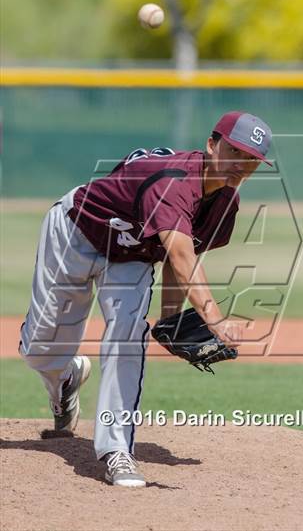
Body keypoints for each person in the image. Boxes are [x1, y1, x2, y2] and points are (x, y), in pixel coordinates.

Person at [19, 110, 273, 487]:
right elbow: (183, 255)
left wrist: (170, 318)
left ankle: (116, 450)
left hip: (133, 257)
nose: (242, 165)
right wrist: (214, 318)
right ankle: (66, 377)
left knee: (127, 336)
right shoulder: (175, 182)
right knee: (39, 349)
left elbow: (182, 252)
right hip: (76, 231)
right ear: (211, 144)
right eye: (235, 152)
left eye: (252, 160)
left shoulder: (225, 203)